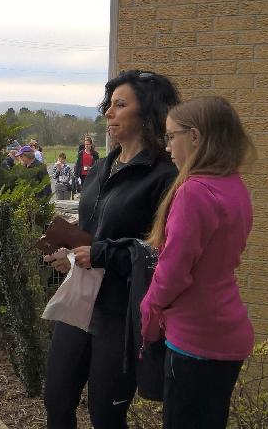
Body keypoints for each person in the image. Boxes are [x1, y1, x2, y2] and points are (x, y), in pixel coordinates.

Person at [42, 70, 180, 429]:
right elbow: (92, 231)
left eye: (121, 105)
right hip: (80, 299)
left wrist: (102, 254)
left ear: (148, 113)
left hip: (120, 311)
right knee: (56, 397)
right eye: (109, 104)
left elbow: (160, 251)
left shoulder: (164, 177)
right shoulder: (100, 168)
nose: (109, 112)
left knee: (106, 413)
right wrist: (71, 253)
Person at [141, 96, 256, 429]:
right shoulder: (234, 186)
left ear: (195, 137)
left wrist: (147, 316)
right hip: (228, 332)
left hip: (195, 339)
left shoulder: (194, 192)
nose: (167, 147)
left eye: (170, 136)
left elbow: (172, 274)